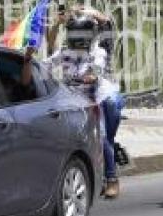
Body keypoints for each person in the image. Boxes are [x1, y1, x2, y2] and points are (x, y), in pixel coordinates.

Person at [40, 12, 123, 198]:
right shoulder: (65, 52)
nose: (77, 39)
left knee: (102, 137)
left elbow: (95, 72)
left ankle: (112, 179)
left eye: (81, 35)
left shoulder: (98, 52)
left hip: (97, 99)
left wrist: (89, 77)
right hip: (74, 101)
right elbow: (46, 64)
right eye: (73, 35)